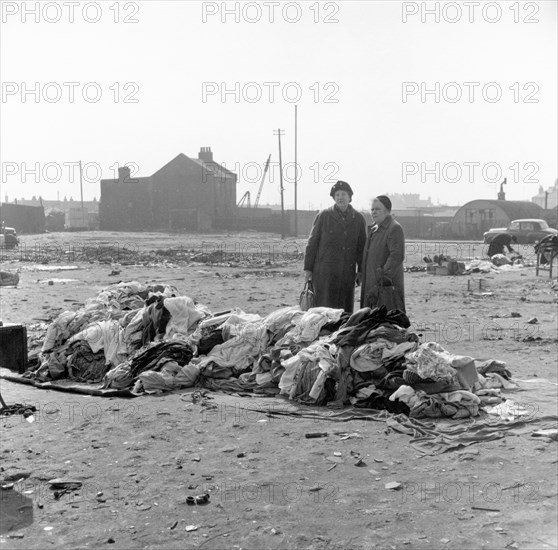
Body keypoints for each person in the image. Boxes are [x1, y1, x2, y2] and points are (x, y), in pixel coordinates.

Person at [304, 180, 366, 313]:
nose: (340, 197)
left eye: (343, 194)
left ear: (350, 197)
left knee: (344, 311)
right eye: (337, 195)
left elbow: (362, 247)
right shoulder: (324, 216)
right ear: (333, 198)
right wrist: (308, 269)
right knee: (323, 310)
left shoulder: (358, 219)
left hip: (346, 273)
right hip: (325, 273)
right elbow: (312, 243)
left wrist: (360, 270)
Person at [361, 195, 405, 312]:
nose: (374, 212)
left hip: (386, 286)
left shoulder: (394, 228)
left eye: (377, 209)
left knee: (387, 320)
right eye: (372, 209)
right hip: (371, 284)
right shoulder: (374, 230)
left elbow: (396, 256)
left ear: (387, 211)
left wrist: (383, 277)